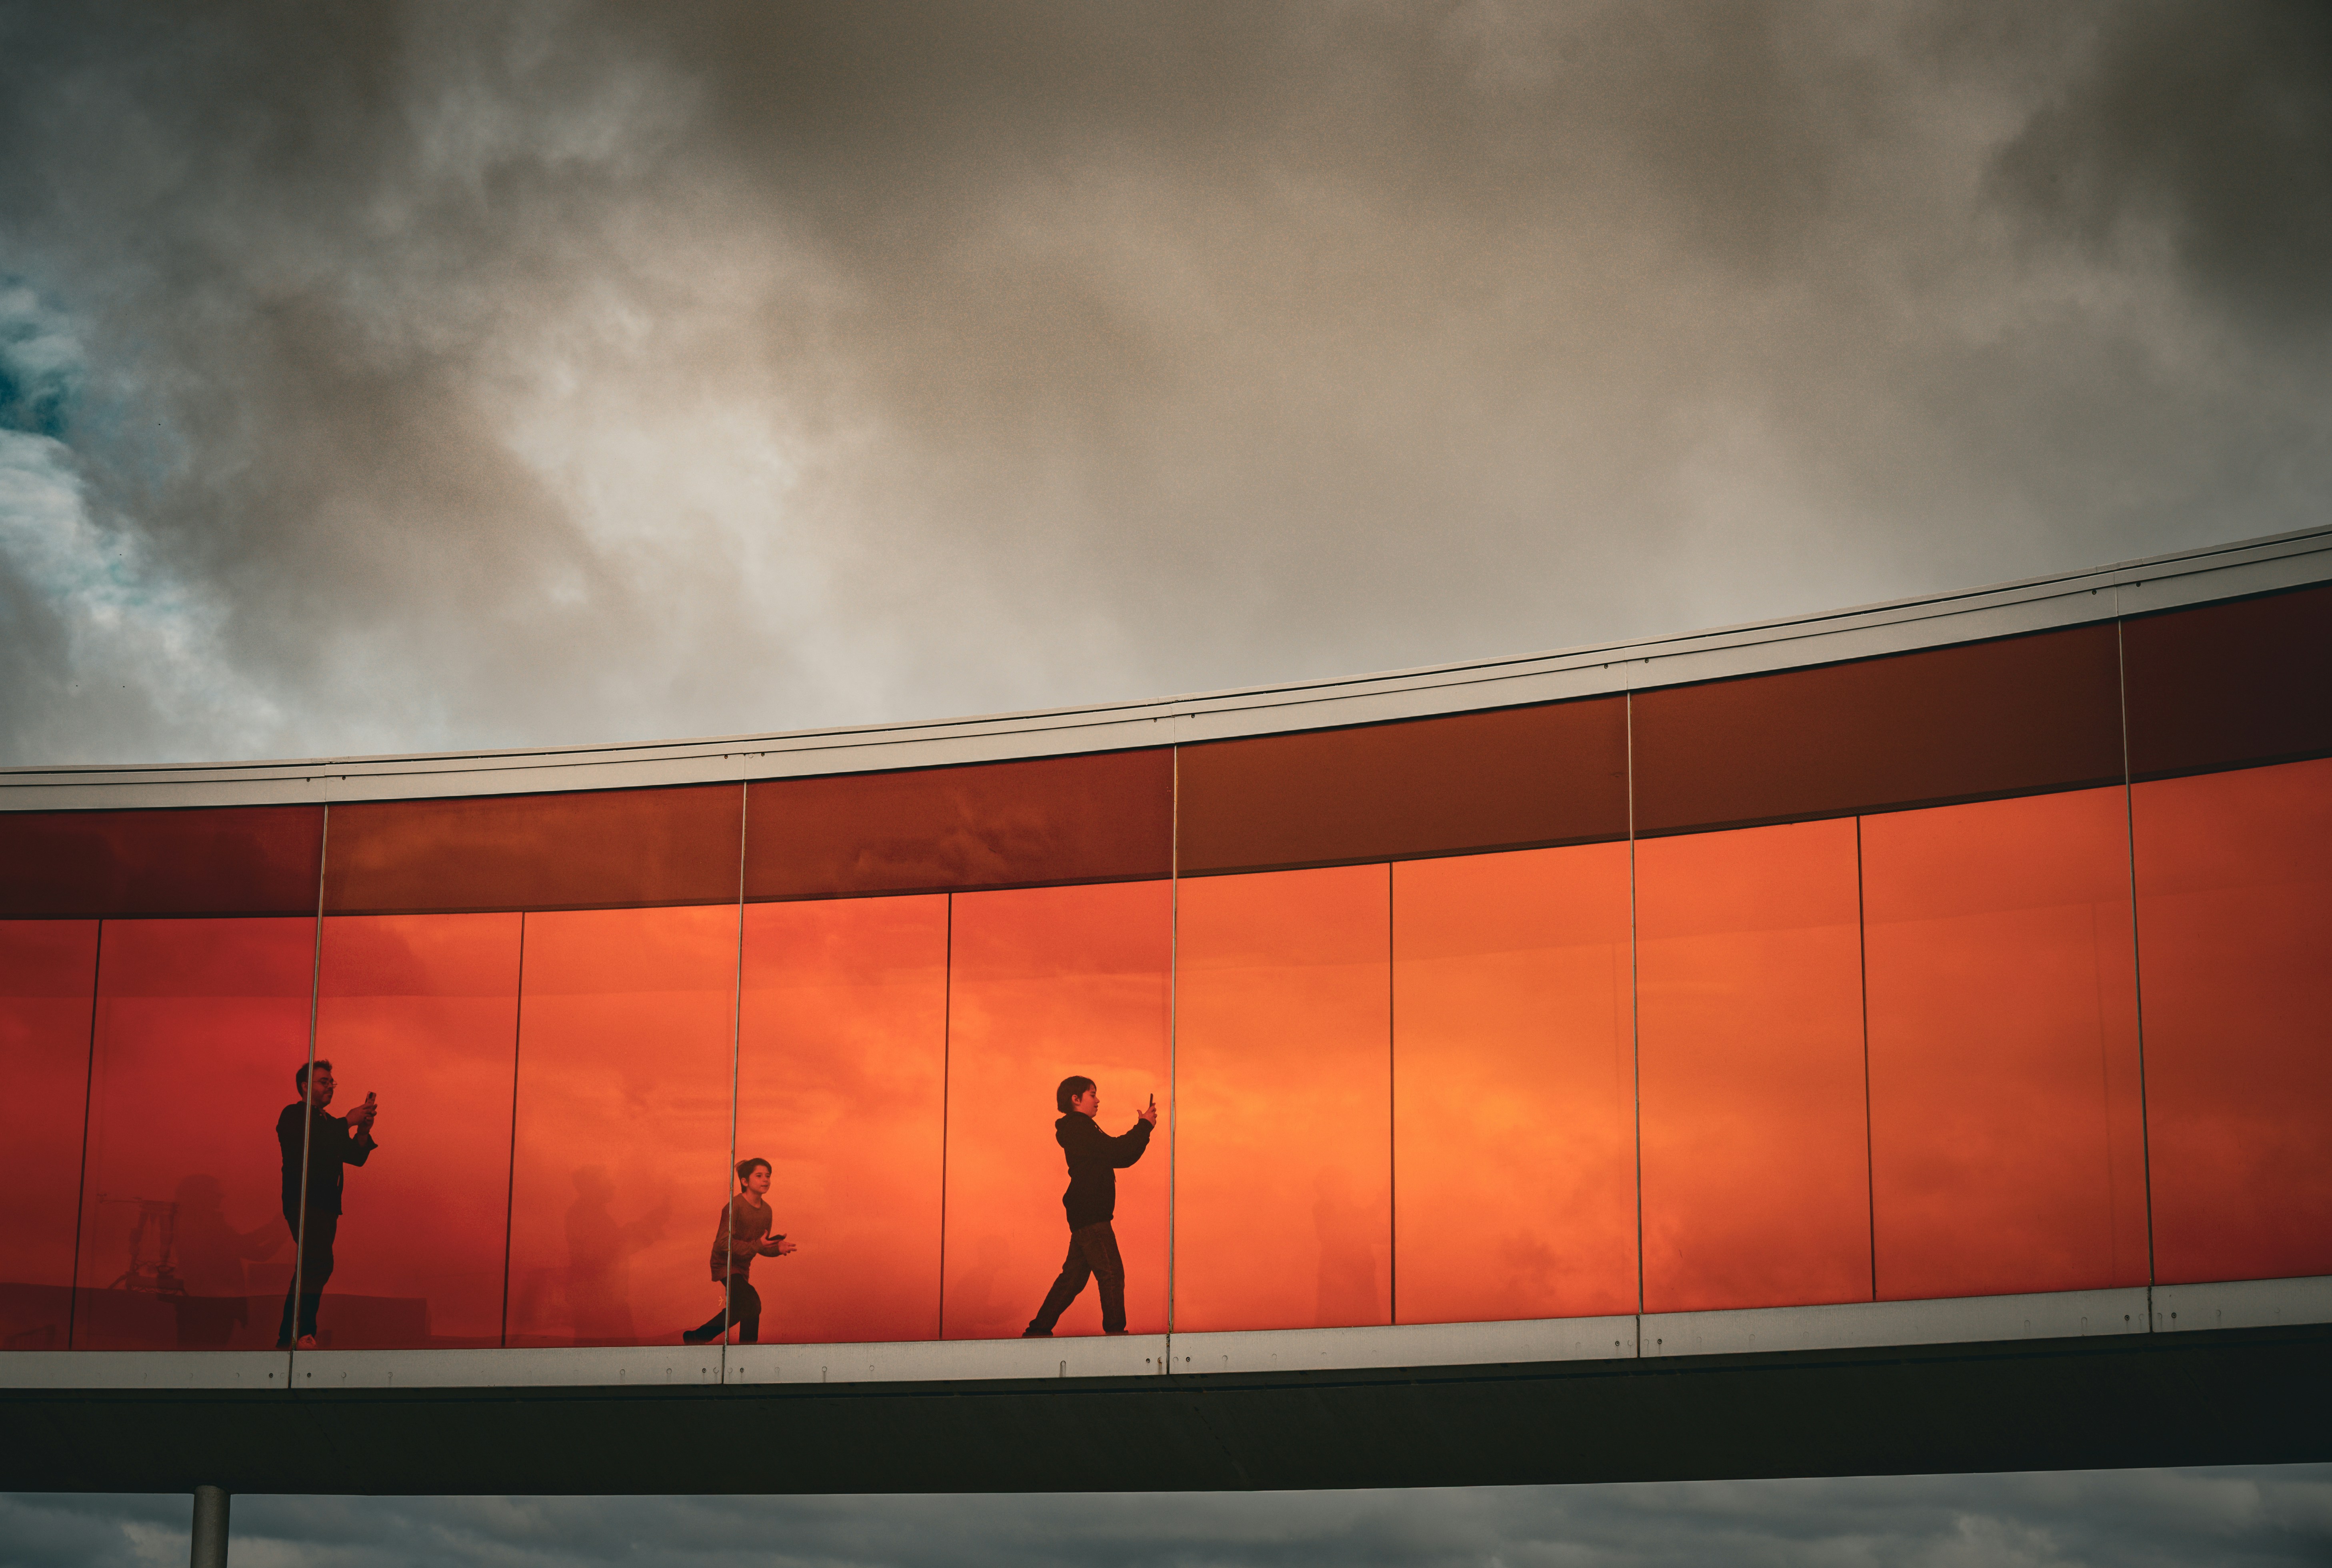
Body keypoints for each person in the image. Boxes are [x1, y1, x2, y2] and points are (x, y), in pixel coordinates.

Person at [1022, 1076, 1156, 1338]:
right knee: (1111, 1272)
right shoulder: (1079, 1128)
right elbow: (1118, 1152)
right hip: (1091, 1214)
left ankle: (1038, 1330)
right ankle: (1116, 1335)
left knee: (1072, 1279)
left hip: (1087, 1214)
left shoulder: (1081, 1129)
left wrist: (1144, 1129)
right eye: (1092, 1094)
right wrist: (1144, 1127)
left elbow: (1121, 1155)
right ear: (1076, 1099)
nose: (1097, 1100)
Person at [274, 1059, 376, 1349]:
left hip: (325, 1206)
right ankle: (298, 1334)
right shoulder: (294, 1115)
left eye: (332, 1082)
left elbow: (354, 1156)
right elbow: (313, 1142)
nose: (330, 1086)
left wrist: (363, 1131)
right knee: (318, 1263)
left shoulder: (328, 1123)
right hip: (305, 1201)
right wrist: (348, 1121)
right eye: (324, 1082)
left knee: (314, 1264)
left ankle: (294, 1335)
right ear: (306, 1087)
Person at [683, 1157, 796, 1345]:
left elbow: (760, 1247)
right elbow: (722, 1244)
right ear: (745, 1181)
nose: (765, 1180)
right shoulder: (734, 1207)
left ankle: (695, 1338)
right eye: (759, 1176)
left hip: (743, 1266)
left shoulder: (767, 1211)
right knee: (752, 1303)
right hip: (725, 1264)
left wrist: (776, 1248)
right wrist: (757, 1246)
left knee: (740, 1308)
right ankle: (747, 1351)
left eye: (768, 1176)